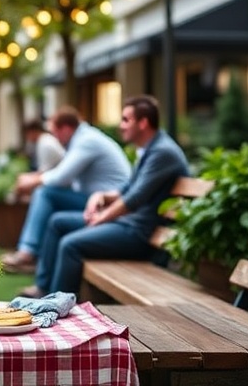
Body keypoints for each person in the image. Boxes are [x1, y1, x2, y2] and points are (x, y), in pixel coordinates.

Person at [20, 95, 190, 298]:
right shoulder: (151, 148)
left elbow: (134, 199)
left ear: (143, 123)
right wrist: (100, 196)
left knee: (70, 245)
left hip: (138, 233)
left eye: (126, 120)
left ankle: (55, 307)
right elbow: (126, 189)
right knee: (58, 222)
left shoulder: (162, 152)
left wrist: (102, 217)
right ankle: (44, 289)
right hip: (126, 224)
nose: (121, 126)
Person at [0, 107, 131, 273]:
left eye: (55, 132)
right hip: (94, 200)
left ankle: (28, 252)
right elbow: (63, 176)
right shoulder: (81, 139)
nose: (54, 138)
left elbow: (61, 177)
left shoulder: (87, 141)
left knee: (44, 193)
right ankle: (38, 270)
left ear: (66, 129)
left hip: (106, 203)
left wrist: (33, 181)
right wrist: (34, 179)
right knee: (49, 205)